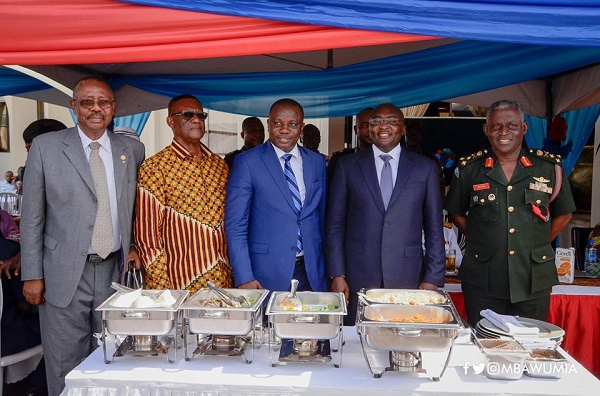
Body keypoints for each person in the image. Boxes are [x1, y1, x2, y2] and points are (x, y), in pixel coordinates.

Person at [20, 76, 145, 396]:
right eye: (87, 102)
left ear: (113, 108)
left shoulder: (131, 149)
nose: (95, 109)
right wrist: (32, 274)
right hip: (62, 273)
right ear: (73, 107)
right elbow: (32, 216)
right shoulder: (47, 148)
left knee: (113, 357)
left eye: (103, 102)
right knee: (65, 363)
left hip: (112, 271)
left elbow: (138, 207)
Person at [444, 100, 576, 328]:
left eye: (512, 126)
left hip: (532, 277)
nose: (504, 132)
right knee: (485, 343)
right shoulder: (469, 169)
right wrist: (483, 236)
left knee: (530, 345)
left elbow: (564, 214)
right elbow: (456, 212)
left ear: (523, 128)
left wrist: (536, 241)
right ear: (487, 130)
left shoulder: (548, 167)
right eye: (496, 126)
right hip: (483, 278)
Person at [326, 103, 445, 324]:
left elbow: (434, 228)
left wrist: (432, 277)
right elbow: (335, 226)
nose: (384, 126)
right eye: (377, 121)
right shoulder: (347, 166)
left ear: (402, 128)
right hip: (357, 276)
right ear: (369, 129)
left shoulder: (424, 168)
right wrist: (337, 274)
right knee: (356, 344)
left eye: (391, 121)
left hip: (407, 276)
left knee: (402, 340)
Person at [225, 98, 328, 293]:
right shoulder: (247, 162)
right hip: (265, 274)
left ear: (301, 127)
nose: (284, 130)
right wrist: (244, 276)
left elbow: (321, 218)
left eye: (292, 124)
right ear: (269, 124)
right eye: (277, 123)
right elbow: (235, 225)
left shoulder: (316, 162)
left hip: (312, 272)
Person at [135, 94, 232, 292]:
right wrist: (162, 291)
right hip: (181, 283)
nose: (196, 120)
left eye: (201, 115)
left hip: (224, 280)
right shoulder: (155, 167)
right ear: (171, 121)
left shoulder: (219, 166)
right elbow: (148, 237)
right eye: (188, 115)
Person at [327, 107, 373, 184]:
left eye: (373, 125)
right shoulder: (340, 160)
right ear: (356, 130)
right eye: (365, 125)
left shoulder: (387, 159)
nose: (370, 130)